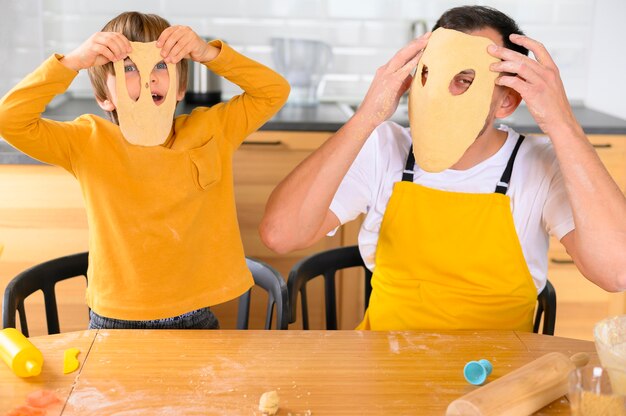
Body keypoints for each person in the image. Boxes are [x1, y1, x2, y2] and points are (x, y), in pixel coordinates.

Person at [260, 6, 626, 331]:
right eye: (428, 75)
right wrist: (365, 117)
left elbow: (617, 271)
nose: (437, 96)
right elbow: (281, 234)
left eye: (464, 81)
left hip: (497, 376)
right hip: (383, 363)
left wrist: (564, 125)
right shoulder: (384, 148)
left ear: (506, 100)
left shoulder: (539, 164)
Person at [0, 12, 290, 329]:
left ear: (180, 88)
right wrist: (71, 62)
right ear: (103, 97)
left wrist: (208, 53)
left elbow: (273, 91)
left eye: (161, 65)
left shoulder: (212, 128)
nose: (150, 77)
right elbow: (9, 120)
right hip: (115, 318)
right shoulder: (87, 140)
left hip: (196, 313)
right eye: (129, 69)